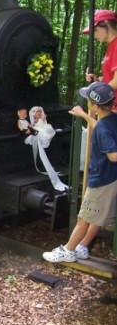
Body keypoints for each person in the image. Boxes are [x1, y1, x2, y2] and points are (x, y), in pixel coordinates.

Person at [43, 82, 117, 263]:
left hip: (101, 180)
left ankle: (68, 251)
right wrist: (84, 115)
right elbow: (99, 125)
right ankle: (82, 246)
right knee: (97, 217)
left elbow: (113, 156)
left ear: (95, 105)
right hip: (112, 178)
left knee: (84, 218)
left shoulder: (102, 129)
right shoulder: (112, 118)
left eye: (89, 102)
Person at [83, 9, 117, 112]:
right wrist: (98, 81)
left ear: (106, 24)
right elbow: (111, 79)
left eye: (95, 30)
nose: (94, 35)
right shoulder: (111, 46)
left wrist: (97, 94)